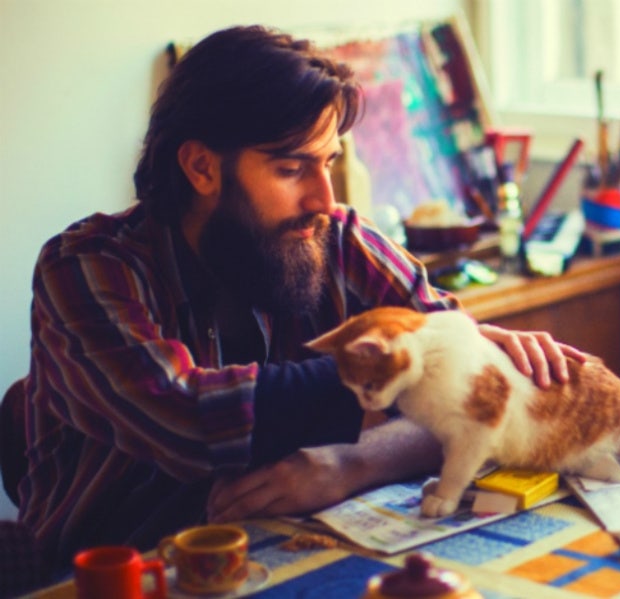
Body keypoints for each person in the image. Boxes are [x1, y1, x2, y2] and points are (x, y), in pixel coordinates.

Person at [19, 25, 581, 574]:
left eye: (329, 161)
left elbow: (474, 406)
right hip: (105, 571)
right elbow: (185, 417)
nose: (324, 198)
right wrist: (425, 357)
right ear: (201, 167)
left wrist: (351, 462)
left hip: (287, 551)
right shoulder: (85, 268)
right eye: (291, 168)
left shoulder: (334, 236)